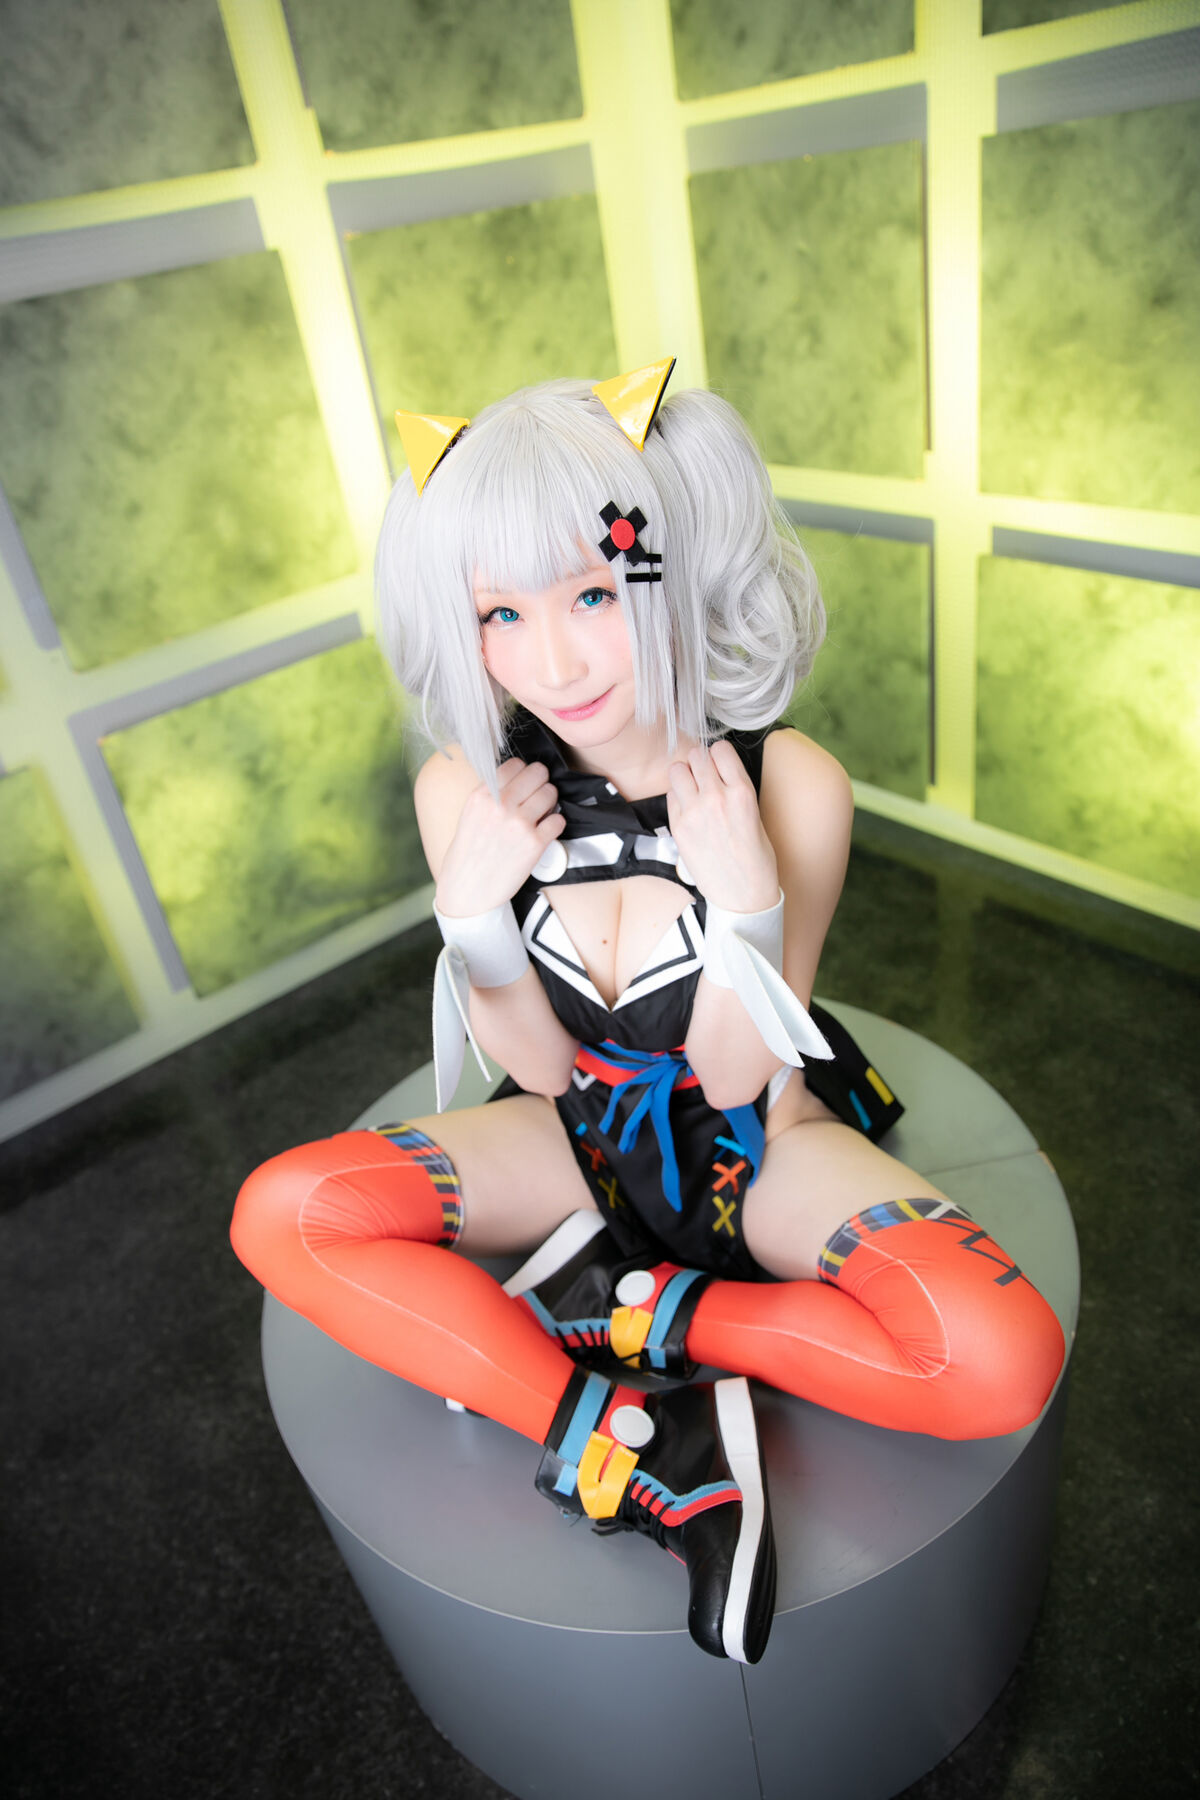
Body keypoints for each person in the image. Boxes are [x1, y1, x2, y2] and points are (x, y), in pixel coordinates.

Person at [231, 359, 1065, 1666]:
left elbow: (732, 1074)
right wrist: (471, 917)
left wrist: (747, 905)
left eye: (590, 594)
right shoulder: (467, 792)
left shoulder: (792, 783)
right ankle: (639, 1449)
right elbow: (535, 1065)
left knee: (1003, 1359)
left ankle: (638, 1309)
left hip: (757, 1144)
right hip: (574, 1126)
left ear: (677, 569)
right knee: (282, 1213)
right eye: (500, 612)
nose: (550, 659)